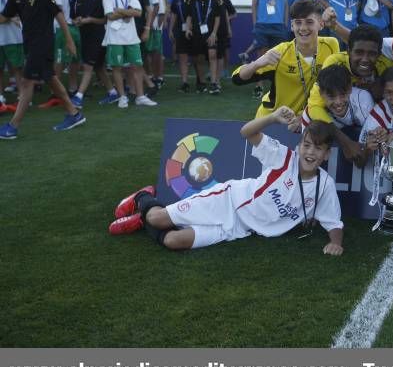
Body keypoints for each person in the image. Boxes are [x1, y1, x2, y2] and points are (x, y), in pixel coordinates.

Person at [109, 107, 345, 256]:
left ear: (326, 155)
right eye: (306, 145)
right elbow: (247, 133)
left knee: (172, 240)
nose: (310, 152)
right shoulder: (283, 158)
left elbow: (334, 222)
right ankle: (143, 198)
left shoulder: (324, 185)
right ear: (299, 145)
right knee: (157, 218)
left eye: (318, 148)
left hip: (238, 228)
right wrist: (272, 117)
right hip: (228, 200)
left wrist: (336, 244)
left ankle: (142, 220)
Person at [0, 0, 86, 138]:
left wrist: (69, 40)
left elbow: (59, 15)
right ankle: (74, 114)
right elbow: (4, 16)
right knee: (51, 78)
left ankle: (13, 126)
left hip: (43, 43)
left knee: (26, 82)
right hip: (30, 44)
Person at [233, 0, 340, 118]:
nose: (303, 28)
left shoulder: (331, 45)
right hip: (273, 120)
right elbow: (238, 79)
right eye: (298, 23)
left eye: (309, 22)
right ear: (292, 26)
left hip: (308, 120)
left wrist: (336, 25)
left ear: (321, 24)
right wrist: (257, 64)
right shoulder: (281, 52)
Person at [305, 24, 393, 126]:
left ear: (379, 54)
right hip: (338, 121)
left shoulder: (386, 66)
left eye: (372, 53)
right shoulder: (335, 62)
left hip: (370, 119)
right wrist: (338, 136)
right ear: (349, 51)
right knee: (307, 115)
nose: (365, 59)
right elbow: (315, 105)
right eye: (359, 52)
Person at [102, 0, 157, 109]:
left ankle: (140, 96)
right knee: (117, 67)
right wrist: (128, 12)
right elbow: (110, 15)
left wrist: (121, 10)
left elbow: (138, 13)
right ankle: (122, 97)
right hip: (115, 36)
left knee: (137, 66)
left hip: (131, 36)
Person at [299, 64, 374, 165]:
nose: (338, 102)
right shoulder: (310, 116)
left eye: (343, 94)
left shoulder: (363, 101)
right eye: (331, 96)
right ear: (321, 93)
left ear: (350, 89)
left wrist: (365, 150)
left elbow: (370, 141)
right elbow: (308, 155)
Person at [69, 0, 113, 109]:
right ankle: (112, 92)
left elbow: (105, 20)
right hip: (84, 38)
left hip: (98, 38)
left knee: (88, 66)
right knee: (99, 67)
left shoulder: (98, 0)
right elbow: (74, 19)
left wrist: (90, 20)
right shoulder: (74, 1)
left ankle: (78, 97)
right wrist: (78, 21)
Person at [248, 0, 290, 100]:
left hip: (279, 26)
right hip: (262, 25)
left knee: (278, 57)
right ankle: (259, 86)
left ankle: (276, 87)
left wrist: (285, 24)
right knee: (261, 56)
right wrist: (255, 24)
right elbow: (254, 5)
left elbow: (285, 6)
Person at [185, 0, 222, 94]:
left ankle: (214, 83)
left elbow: (217, 18)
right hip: (196, 34)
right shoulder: (192, 0)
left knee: (212, 55)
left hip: (210, 34)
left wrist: (214, 33)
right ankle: (201, 83)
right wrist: (188, 29)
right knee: (199, 59)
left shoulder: (214, 1)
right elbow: (189, 16)